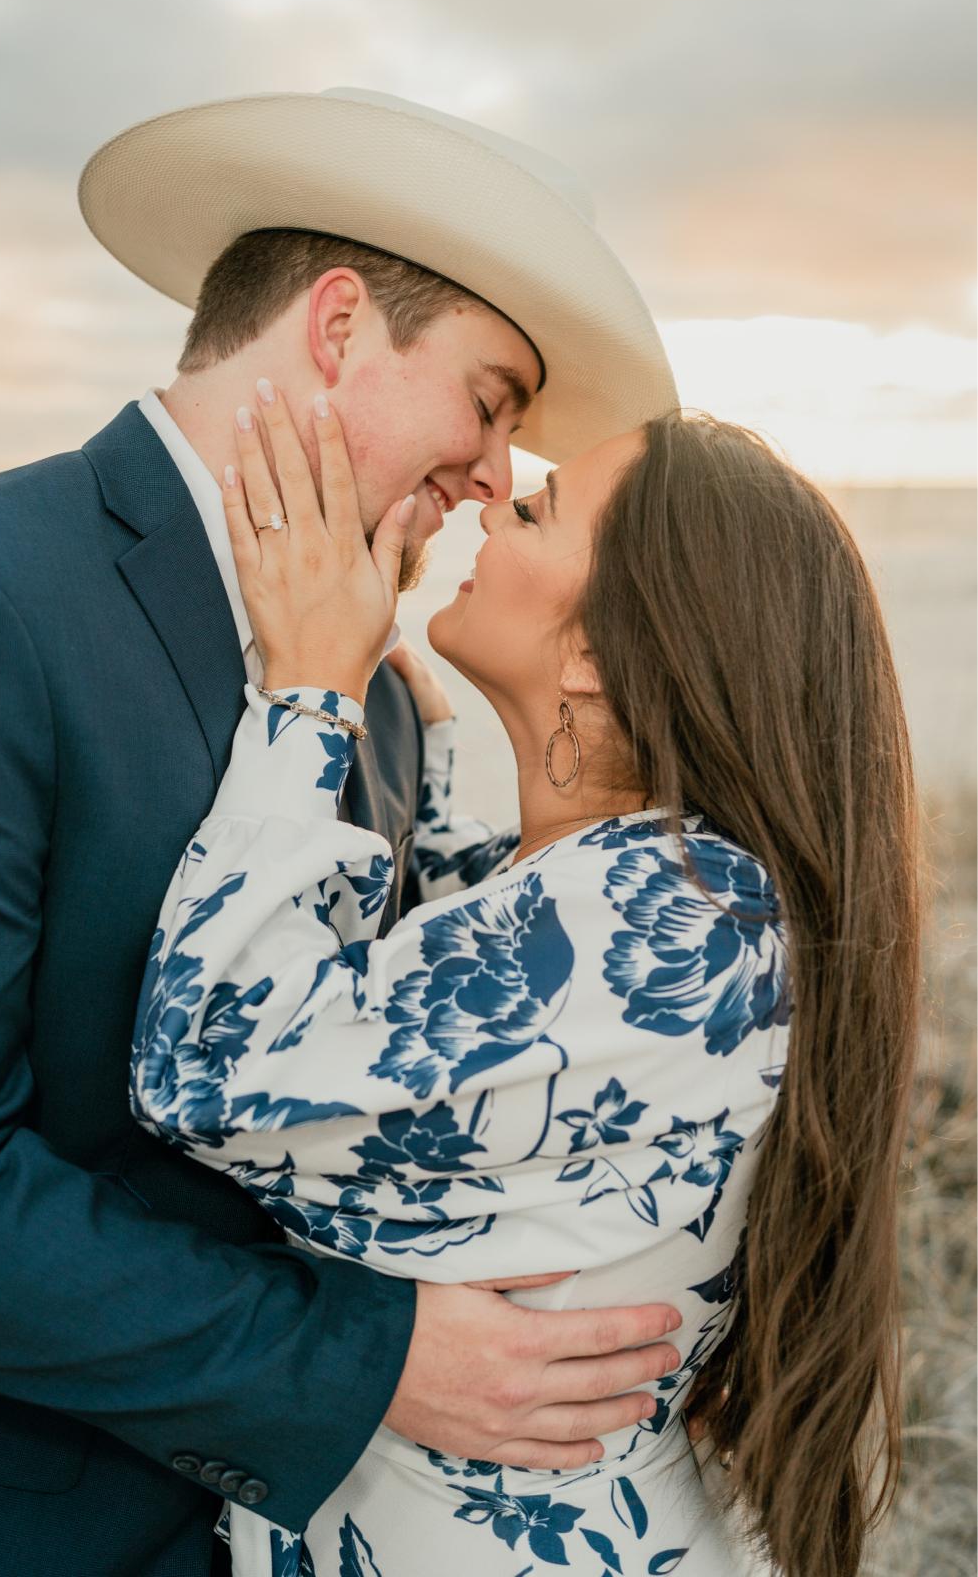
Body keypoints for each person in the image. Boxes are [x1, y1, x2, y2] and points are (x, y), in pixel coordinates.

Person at [0, 91, 682, 1577]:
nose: (493, 475)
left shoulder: (374, 685)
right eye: (491, 401)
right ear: (339, 326)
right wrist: (365, 1362)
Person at [131, 389, 921, 1577]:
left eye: (540, 511)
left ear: (597, 652)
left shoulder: (672, 914)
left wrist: (307, 697)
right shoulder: (666, 885)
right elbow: (473, 983)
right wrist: (432, 753)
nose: (493, 502)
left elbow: (206, 1066)